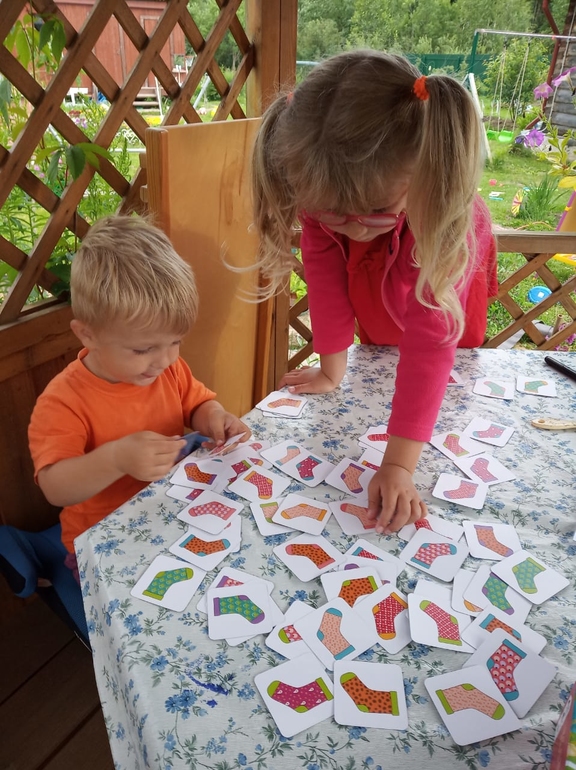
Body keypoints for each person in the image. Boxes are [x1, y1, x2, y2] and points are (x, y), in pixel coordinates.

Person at [252, 50, 497, 536]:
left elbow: (432, 342)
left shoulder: (452, 219)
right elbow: (325, 283)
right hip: (383, 291)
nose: (355, 229)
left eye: (374, 211)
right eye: (333, 214)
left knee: (447, 372)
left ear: (423, 174)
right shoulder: (328, 202)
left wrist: (400, 464)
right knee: (383, 341)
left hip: (443, 287)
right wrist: (332, 369)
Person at [29, 215, 249, 579]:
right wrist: (116, 459)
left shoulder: (166, 369)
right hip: (102, 540)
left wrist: (215, 417)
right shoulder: (63, 401)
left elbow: (197, 404)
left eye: (175, 342)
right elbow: (55, 487)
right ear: (88, 335)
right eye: (143, 349)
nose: (165, 360)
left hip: (170, 510)